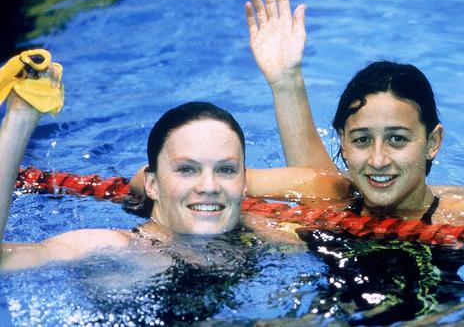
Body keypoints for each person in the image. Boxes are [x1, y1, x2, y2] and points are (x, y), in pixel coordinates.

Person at [244, 0, 464, 230]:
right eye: (362, 140)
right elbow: (217, 178)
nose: (378, 160)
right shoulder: (336, 200)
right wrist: (285, 81)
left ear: (432, 143)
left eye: (397, 139)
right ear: (343, 141)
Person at [0, 49, 322, 271]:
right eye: (186, 169)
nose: (209, 186)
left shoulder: (274, 243)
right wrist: (21, 118)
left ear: (244, 183)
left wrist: (287, 79)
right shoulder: (114, 250)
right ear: (152, 184)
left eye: (225, 170)